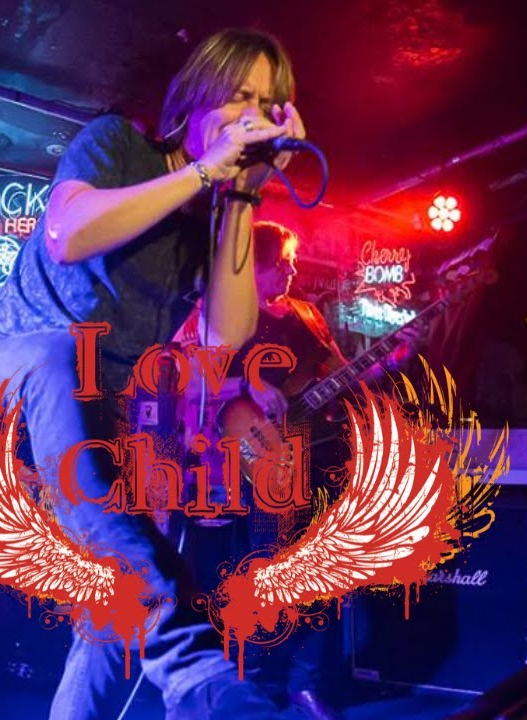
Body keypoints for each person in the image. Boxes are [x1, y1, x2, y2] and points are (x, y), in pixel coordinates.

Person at [0, 28, 307, 720]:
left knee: (117, 602)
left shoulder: (209, 215)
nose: (252, 117)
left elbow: (227, 334)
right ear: (197, 96)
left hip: (82, 422)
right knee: (60, 351)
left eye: (268, 106)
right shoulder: (118, 145)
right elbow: (67, 234)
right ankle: (198, 676)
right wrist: (203, 173)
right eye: (239, 96)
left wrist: (241, 197)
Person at [173, 221, 426, 720]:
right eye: (282, 262)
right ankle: (252, 681)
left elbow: (345, 379)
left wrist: (393, 361)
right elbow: (183, 378)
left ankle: (304, 683)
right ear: (254, 266)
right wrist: (244, 386)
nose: (291, 270)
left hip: (312, 459)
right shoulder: (218, 316)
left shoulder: (307, 315)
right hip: (247, 462)